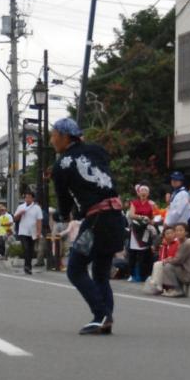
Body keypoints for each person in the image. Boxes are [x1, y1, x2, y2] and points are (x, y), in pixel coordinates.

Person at [51, 117, 123, 334]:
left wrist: (65, 215)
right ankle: (105, 320)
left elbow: (64, 201)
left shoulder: (61, 164)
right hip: (116, 216)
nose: (52, 140)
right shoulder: (98, 150)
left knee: (75, 268)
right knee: (101, 272)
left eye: (54, 135)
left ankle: (101, 315)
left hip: (96, 220)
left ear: (65, 136)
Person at [160, 223, 190, 296]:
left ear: (186, 232)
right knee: (169, 264)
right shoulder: (183, 242)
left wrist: (167, 260)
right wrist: (170, 259)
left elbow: (177, 260)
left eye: (181, 230)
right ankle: (173, 288)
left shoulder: (187, 243)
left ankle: (177, 289)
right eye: (176, 231)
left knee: (168, 266)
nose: (178, 233)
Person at [126, 184, 157, 283]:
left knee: (145, 253)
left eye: (145, 191)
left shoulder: (152, 204)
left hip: (146, 230)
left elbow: (155, 217)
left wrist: (151, 221)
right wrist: (142, 217)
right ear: (138, 193)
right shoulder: (134, 203)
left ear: (148, 193)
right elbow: (131, 214)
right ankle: (132, 274)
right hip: (135, 230)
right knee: (133, 254)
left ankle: (145, 275)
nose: (143, 192)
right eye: (141, 191)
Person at [14, 187, 42, 276]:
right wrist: (19, 214)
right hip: (23, 231)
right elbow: (15, 219)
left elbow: (39, 221)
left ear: (33, 198)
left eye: (29, 197)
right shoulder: (20, 207)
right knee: (26, 248)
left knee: (30, 250)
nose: (27, 199)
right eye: (26, 197)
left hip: (32, 232)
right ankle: (26, 266)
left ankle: (28, 267)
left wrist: (38, 232)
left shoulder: (37, 208)